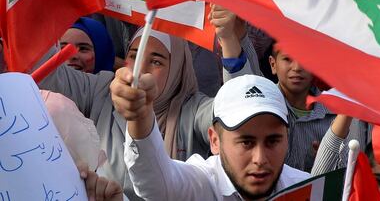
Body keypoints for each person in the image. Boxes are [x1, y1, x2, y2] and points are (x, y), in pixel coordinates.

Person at [39, 19, 258, 200]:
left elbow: (240, 113)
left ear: (177, 68)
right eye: (134, 56)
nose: (140, 69)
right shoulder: (103, 90)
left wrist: (229, 41)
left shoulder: (193, 110)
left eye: (156, 61)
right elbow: (48, 77)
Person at [115, 73, 310, 200]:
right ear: (215, 141)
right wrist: (141, 116)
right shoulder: (201, 184)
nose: (260, 159)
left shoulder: (310, 189)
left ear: (287, 138)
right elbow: (156, 184)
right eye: (246, 142)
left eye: (273, 141)